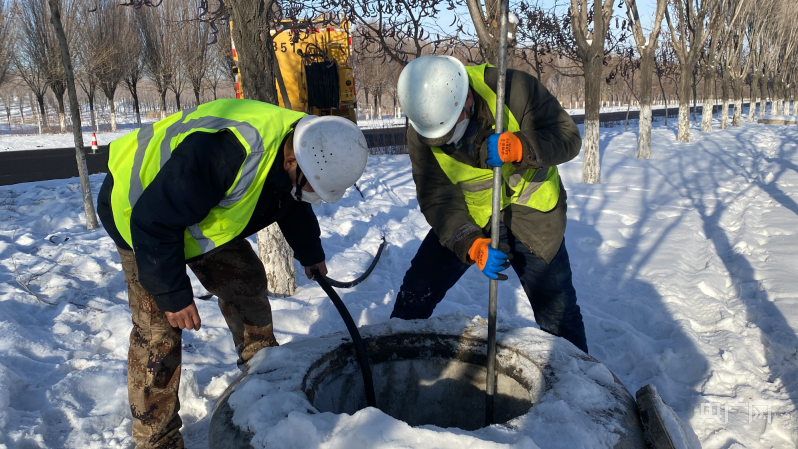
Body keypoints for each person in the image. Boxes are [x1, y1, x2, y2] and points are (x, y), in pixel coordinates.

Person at [97, 98, 369, 449]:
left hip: (195, 209)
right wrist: (172, 294)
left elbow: (290, 199)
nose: (313, 194)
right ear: (292, 162)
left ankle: (264, 373)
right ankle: (156, 439)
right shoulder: (227, 153)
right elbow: (153, 220)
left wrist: (310, 252)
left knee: (245, 279)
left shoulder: (309, 142)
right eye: (313, 187)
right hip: (138, 213)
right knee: (158, 332)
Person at [391, 55, 588, 354]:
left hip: (532, 216)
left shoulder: (514, 89)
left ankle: (580, 380)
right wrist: (470, 243)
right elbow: (437, 196)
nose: (447, 142)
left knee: (559, 314)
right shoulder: (424, 127)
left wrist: (523, 146)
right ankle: (392, 365)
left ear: (467, 100)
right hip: (470, 216)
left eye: (451, 130)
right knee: (415, 293)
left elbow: (567, 137)